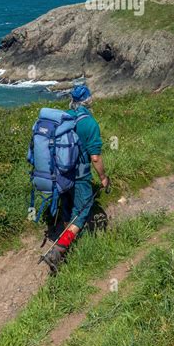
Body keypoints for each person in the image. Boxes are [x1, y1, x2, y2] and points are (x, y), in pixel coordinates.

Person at [43, 84, 110, 271]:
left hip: (62, 175)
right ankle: (58, 250)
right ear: (88, 101)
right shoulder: (90, 123)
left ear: (72, 101)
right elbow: (95, 157)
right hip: (80, 177)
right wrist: (103, 177)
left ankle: (67, 245)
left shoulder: (64, 117)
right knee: (81, 213)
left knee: (68, 209)